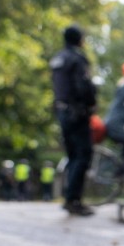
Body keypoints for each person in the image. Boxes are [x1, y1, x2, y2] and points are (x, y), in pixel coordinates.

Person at [50, 24, 98, 216]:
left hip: (62, 111)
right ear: (80, 39)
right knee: (83, 154)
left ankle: (69, 197)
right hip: (77, 112)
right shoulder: (77, 59)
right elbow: (83, 86)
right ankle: (73, 199)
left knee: (72, 156)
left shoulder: (59, 59)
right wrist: (91, 102)